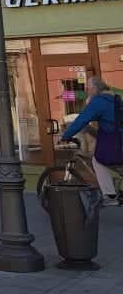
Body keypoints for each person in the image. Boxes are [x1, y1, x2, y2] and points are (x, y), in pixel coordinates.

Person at [61, 75, 123, 207]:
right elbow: (110, 123)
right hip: (118, 140)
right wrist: (89, 130)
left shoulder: (99, 101)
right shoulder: (114, 99)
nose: (87, 91)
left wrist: (66, 135)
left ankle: (110, 195)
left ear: (95, 89)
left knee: (98, 160)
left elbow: (81, 119)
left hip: (115, 142)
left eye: (88, 89)